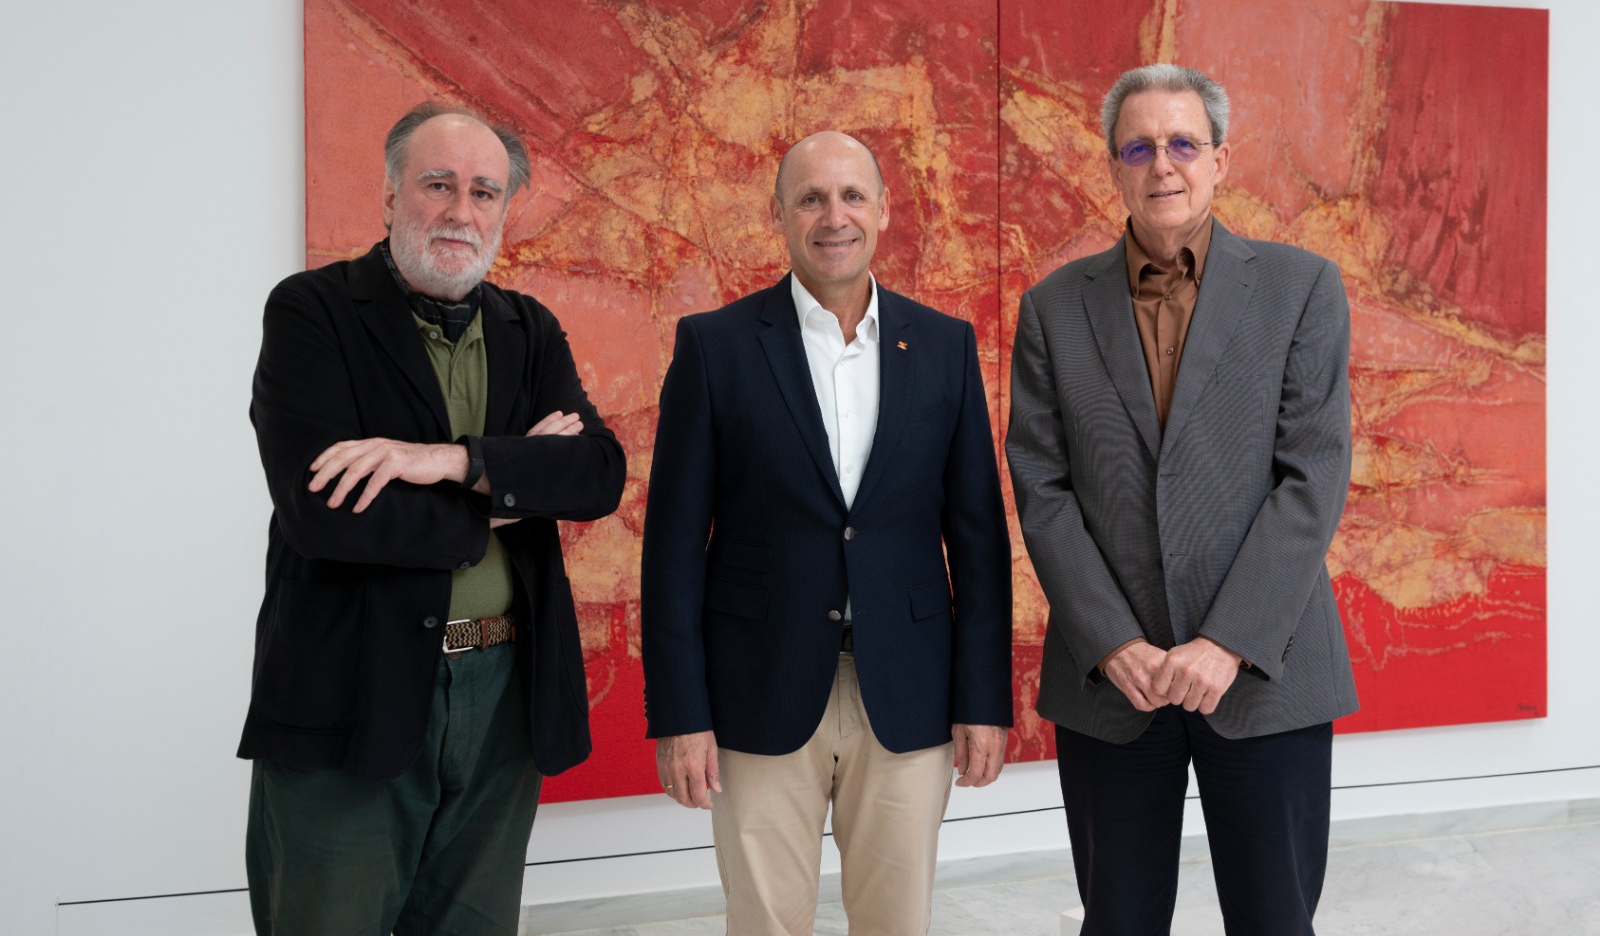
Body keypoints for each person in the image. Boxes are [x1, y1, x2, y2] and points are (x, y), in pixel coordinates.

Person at [241, 102, 626, 935]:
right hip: (351, 688)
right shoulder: (311, 312)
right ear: (389, 196)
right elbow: (326, 513)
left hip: (503, 700)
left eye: (485, 192)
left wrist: (448, 461)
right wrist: (513, 488)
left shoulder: (529, 328)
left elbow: (597, 473)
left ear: (505, 210)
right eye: (439, 185)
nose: (461, 211)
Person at [1006, 64, 1358, 935]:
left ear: (1220, 160)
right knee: (1118, 920)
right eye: (1138, 146)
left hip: (1265, 673)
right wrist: (1112, 638)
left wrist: (1227, 642)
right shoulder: (1053, 306)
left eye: (1182, 143)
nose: (1162, 164)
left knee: (1276, 920)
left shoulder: (1301, 288)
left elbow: (1311, 476)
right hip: (1111, 683)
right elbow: (1042, 488)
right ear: (1113, 166)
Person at [641, 130, 1013, 935]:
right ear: (778, 215)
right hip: (757, 690)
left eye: (851, 196)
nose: (832, 215)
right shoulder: (715, 346)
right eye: (811, 197)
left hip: (908, 695)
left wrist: (984, 698)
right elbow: (671, 548)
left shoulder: (944, 346)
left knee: (896, 922)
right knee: (765, 922)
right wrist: (680, 713)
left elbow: (978, 537)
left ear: (883, 210)